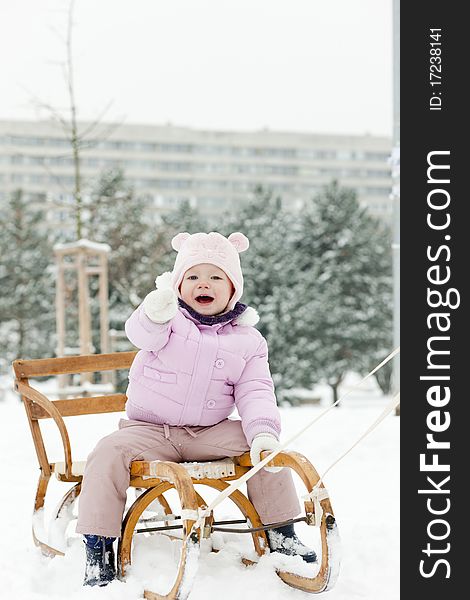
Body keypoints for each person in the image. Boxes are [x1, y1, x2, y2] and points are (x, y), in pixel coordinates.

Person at [76, 231, 316, 587]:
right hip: (150, 431)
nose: (204, 283)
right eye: (193, 276)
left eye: (216, 276)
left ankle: (281, 532)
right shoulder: (167, 320)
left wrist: (263, 432)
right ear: (178, 285)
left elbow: (255, 390)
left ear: (233, 288)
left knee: (265, 451)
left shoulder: (248, 341)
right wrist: (154, 311)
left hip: (207, 433)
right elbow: (139, 334)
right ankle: (98, 546)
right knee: (106, 452)